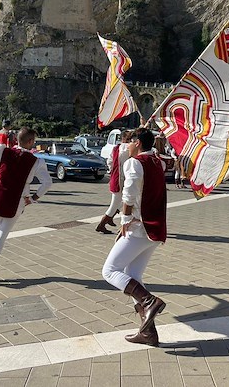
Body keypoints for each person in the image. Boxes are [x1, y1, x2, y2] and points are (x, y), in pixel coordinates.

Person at [102, 127, 167, 347]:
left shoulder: (135, 163)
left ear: (137, 143)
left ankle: (150, 301)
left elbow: (128, 193)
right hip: (155, 230)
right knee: (134, 275)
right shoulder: (159, 162)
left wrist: (124, 220)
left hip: (140, 227)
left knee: (110, 271)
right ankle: (148, 332)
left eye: (129, 142)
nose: (126, 146)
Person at [0, 125, 52, 282]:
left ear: (16, 139)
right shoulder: (37, 161)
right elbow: (47, 183)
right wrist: (34, 198)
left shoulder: (2, 150)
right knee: (2, 235)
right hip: (17, 201)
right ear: (30, 141)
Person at [96, 130, 132, 234]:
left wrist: (113, 171)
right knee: (115, 204)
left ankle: (110, 218)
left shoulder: (116, 148)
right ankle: (101, 225)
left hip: (116, 178)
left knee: (121, 203)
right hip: (121, 181)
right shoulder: (126, 148)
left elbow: (109, 162)